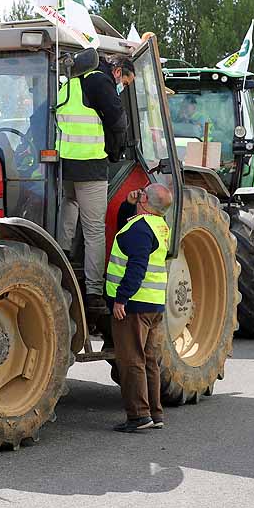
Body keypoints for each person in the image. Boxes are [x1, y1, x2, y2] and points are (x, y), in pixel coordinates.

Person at [55, 52, 126, 309]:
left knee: (69, 206)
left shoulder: (66, 86)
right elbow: (117, 120)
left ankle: (62, 256)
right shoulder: (98, 82)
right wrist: (115, 152)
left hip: (66, 165)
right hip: (92, 165)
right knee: (94, 229)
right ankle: (94, 290)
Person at [107, 183, 173, 433]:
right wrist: (128, 204)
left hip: (134, 307)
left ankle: (138, 416)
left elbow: (136, 267)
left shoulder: (140, 229)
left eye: (142, 192)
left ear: (145, 199)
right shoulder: (158, 226)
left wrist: (121, 299)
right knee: (149, 361)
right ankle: (155, 414)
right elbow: (130, 229)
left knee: (131, 360)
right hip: (153, 305)